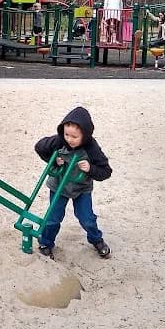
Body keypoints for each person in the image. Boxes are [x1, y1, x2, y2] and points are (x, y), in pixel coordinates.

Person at [34, 106, 113, 259]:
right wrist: (54, 162)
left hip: (81, 188)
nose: (69, 139)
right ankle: (46, 242)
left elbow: (106, 171)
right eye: (66, 134)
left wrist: (90, 168)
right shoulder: (60, 140)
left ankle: (96, 239)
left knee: (87, 218)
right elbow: (40, 147)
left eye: (74, 137)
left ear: (85, 135)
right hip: (59, 186)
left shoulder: (91, 147)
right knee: (52, 218)